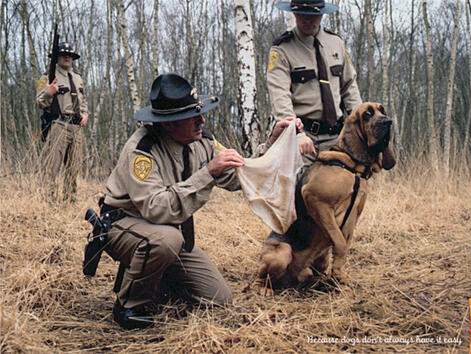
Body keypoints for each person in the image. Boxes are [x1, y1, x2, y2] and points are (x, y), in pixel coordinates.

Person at [99, 73, 299, 329]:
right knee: (165, 241)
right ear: (169, 124)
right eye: (192, 117)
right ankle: (129, 305)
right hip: (126, 227)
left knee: (219, 299)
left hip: (170, 234)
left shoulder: (201, 140)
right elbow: (156, 209)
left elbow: (239, 175)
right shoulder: (142, 150)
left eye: (200, 113)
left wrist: (274, 142)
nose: (201, 120)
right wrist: (207, 174)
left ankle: (159, 280)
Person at [267, 0, 362, 166]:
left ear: (322, 14)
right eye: (301, 14)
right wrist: (296, 134)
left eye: (312, 15)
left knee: (344, 188)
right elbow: (280, 97)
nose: (307, 20)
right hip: (303, 139)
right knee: (297, 189)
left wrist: (361, 123)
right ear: (294, 13)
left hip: (336, 138)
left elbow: (349, 87)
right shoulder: (282, 49)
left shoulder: (336, 43)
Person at [36, 41, 88, 202]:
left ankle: (70, 201)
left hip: (76, 127)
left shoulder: (78, 78)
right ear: (57, 57)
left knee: (74, 167)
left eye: (70, 55)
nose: (67, 58)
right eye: (63, 55)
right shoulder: (48, 76)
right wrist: (48, 93)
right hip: (58, 125)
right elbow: (39, 102)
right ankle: (48, 200)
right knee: (52, 166)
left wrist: (85, 114)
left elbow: (83, 100)